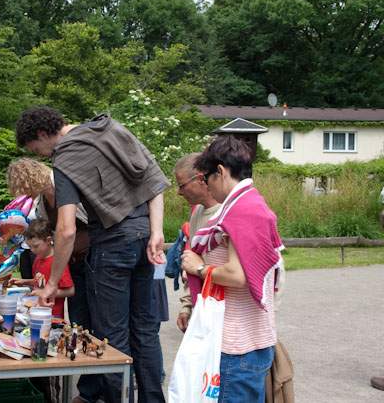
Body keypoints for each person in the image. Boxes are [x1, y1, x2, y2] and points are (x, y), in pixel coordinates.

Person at [16, 106, 168, 403]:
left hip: (112, 247)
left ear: (43, 134)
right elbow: (154, 181)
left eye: (36, 149)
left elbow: (66, 229)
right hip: (144, 240)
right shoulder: (111, 130)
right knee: (144, 332)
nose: (41, 156)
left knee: (112, 337)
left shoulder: (65, 157)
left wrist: (52, 283)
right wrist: (157, 231)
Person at [181, 135, 284, 403]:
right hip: (247, 342)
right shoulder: (251, 203)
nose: (206, 186)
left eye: (206, 178)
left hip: (237, 347)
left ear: (221, 171)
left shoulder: (242, 210)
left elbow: (238, 276)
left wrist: (200, 268)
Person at [6, 157, 91, 329]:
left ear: (29, 180)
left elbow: (81, 223)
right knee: (78, 314)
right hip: (72, 258)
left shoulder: (63, 187)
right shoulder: (41, 202)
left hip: (90, 258)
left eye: (22, 188)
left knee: (90, 314)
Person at [173, 153, 220, 332]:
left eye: (182, 185)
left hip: (227, 315)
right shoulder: (197, 213)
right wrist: (187, 306)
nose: (179, 192)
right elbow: (191, 264)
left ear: (200, 179)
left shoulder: (228, 213)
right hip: (204, 309)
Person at [11, 218, 75, 319]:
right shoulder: (38, 258)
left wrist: (45, 292)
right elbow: (41, 281)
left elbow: (70, 291)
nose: (32, 250)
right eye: (30, 247)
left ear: (48, 240)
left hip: (53, 315)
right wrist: (25, 282)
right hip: (37, 310)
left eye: (36, 246)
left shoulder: (57, 263)